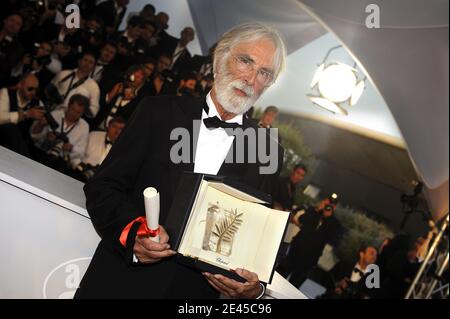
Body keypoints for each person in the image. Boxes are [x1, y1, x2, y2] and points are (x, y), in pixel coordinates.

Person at [75, 22, 286, 299]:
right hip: (118, 284)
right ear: (220, 57)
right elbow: (103, 187)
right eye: (246, 61)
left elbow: (259, 241)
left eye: (264, 73)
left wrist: (255, 289)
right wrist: (132, 232)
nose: (251, 79)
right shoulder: (157, 111)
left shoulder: (266, 150)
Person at [278, 195, 343, 287]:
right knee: (278, 278)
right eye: (328, 202)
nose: (329, 205)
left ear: (335, 207)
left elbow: (332, 236)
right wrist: (317, 210)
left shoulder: (335, 223)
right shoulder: (314, 211)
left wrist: (327, 217)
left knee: (293, 286)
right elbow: (302, 220)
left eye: (332, 204)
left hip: (309, 259)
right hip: (295, 252)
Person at [30, 94, 89, 172]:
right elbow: (34, 136)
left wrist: (71, 148)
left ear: (82, 113)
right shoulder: (56, 114)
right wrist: (42, 128)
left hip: (61, 162)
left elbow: (81, 152)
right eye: (72, 109)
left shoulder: (84, 126)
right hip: (43, 152)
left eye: (78, 112)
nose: (73, 114)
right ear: (68, 105)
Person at [0, 73, 44, 156]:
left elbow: (34, 136)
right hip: (2, 136)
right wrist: (26, 114)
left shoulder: (38, 104)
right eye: (30, 89)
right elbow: (1, 118)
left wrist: (40, 124)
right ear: (20, 85)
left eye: (36, 90)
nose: (33, 92)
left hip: (21, 143)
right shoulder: (6, 93)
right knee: (11, 127)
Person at [74, 117, 126, 182]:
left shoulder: (124, 147)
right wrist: (79, 167)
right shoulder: (93, 135)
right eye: (114, 126)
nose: (117, 131)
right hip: (80, 174)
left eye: (121, 129)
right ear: (108, 127)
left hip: (103, 181)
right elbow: (78, 153)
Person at [50, 52, 100, 118]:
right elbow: (49, 90)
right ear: (79, 61)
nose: (87, 64)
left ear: (93, 67)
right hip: (53, 111)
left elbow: (93, 111)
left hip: (72, 119)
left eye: (90, 62)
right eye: (85, 60)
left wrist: (81, 105)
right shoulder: (63, 74)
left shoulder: (94, 87)